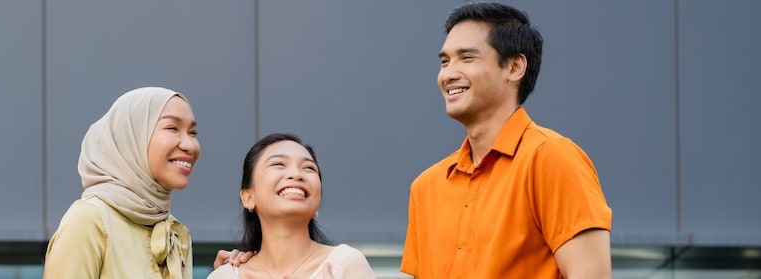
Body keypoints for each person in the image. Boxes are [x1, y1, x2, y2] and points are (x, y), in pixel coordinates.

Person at [401, 2, 613, 278]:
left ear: (514, 67)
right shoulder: (425, 188)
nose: (448, 74)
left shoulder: (551, 157)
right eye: (444, 61)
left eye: (466, 58)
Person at [44, 87, 200, 279]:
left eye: (193, 132)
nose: (190, 145)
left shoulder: (176, 234)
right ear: (132, 136)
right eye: (172, 128)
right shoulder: (89, 220)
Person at [208, 133, 375, 279]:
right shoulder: (226, 276)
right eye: (278, 164)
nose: (296, 174)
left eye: (309, 168)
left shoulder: (345, 264)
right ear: (248, 198)